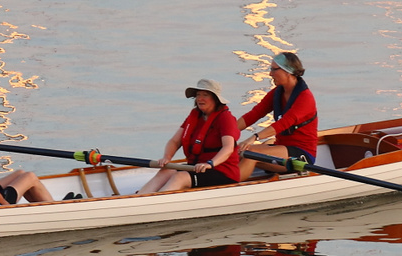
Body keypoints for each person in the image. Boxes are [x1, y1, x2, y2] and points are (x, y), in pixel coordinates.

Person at [133, 79, 242, 196]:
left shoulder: (225, 118)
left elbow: (228, 148)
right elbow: (174, 141)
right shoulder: (195, 116)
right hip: (196, 168)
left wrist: (210, 163)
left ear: (216, 99)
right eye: (198, 95)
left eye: (205, 95)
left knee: (180, 177)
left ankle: (154, 205)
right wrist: (167, 157)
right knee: (166, 171)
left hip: (221, 172)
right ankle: (138, 199)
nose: (200, 99)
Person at [236, 51, 316, 181]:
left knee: (251, 154)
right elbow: (254, 114)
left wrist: (254, 137)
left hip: (301, 155)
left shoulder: (305, 98)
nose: (270, 74)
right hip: (281, 147)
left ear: (287, 72)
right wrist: (228, 133)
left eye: (274, 69)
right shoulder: (277, 93)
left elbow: (283, 123)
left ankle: (225, 185)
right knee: (236, 151)